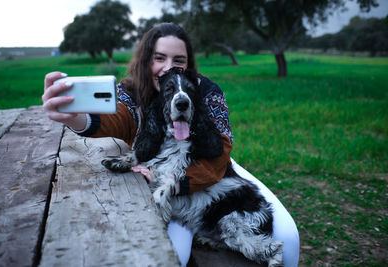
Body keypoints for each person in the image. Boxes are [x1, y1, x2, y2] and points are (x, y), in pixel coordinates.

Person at [42, 22, 300, 266]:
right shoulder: (131, 90)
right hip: (161, 173)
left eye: (178, 60)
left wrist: (175, 184)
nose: (168, 67)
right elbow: (117, 118)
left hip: (213, 172)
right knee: (174, 251)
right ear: (146, 60)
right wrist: (74, 118)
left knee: (289, 238)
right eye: (159, 58)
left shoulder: (206, 90)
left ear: (188, 64)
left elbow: (220, 153)